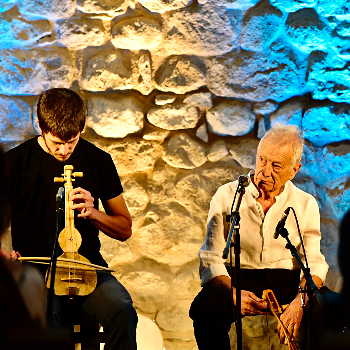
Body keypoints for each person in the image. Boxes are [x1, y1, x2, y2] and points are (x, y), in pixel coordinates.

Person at [5, 88, 137, 350]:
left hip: (87, 269)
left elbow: (124, 228)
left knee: (122, 309)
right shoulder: (15, 162)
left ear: (81, 128)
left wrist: (94, 214)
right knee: (43, 319)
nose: (65, 150)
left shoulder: (99, 160)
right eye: (57, 142)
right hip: (36, 271)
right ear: (40, 126)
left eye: (72, 141)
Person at [189, 125, 329, 350]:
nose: (265, 171)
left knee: (331, 310)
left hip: (289, 281)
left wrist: (299, 303)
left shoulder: (305, 203)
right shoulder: (227, 195)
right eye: (262, 160)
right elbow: (211, 259)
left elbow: (314, 262)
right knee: (205, 309)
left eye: (276, 166)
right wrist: (233, 294)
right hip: (239, 277)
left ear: (294, 170)